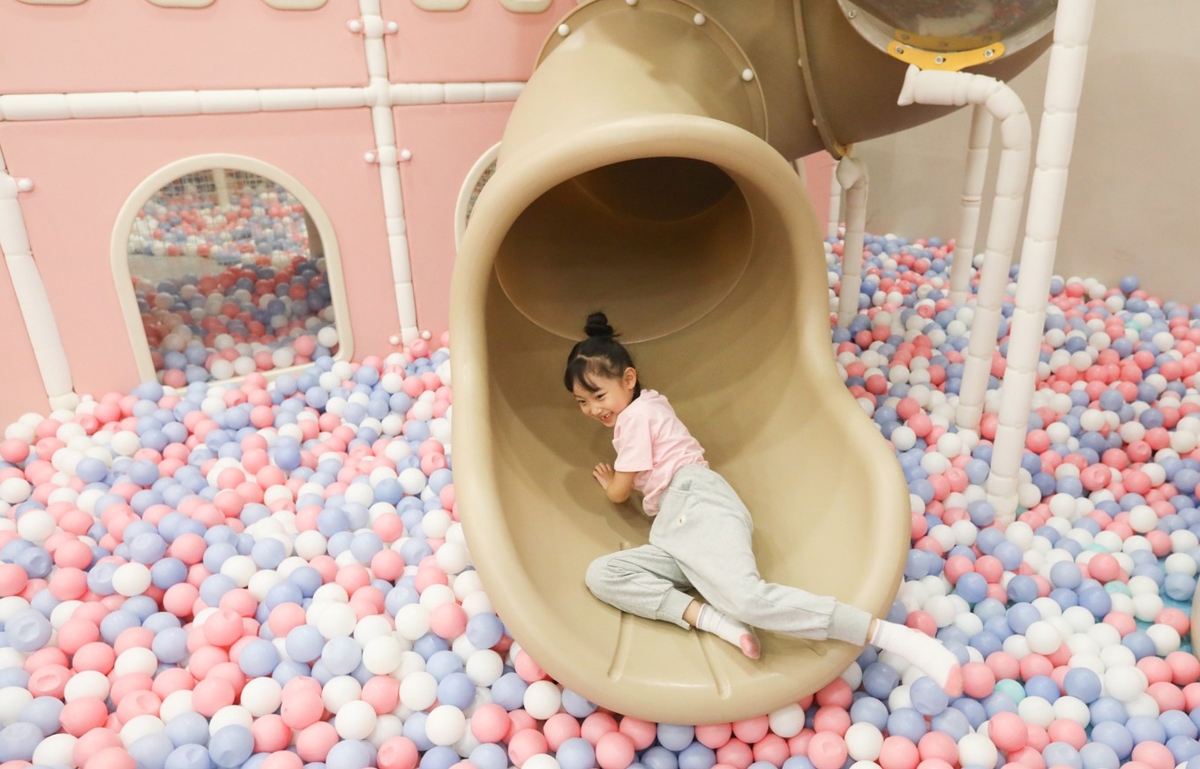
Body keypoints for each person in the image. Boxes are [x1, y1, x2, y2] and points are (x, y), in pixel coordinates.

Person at [564, 311, 963, 695]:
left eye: (598, 395)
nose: (593, 409)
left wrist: (610, 483)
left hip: (695, 504)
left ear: (628, 379)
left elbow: (620, 492)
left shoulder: (634, 418)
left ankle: (889, 635)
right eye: (581, 403)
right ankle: (715, 620)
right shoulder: (650, 403)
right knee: (604, 574)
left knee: (749, 599)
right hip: (676, 525)